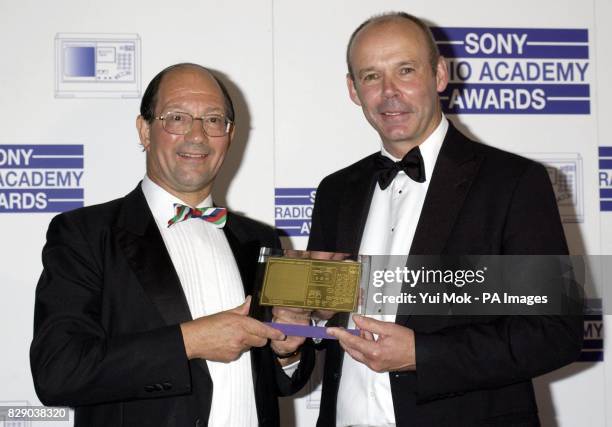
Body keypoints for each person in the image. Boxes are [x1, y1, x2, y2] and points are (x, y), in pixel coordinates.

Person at [307, 13, 583, 426]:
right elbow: (320, 326)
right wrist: (302, 322)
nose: (388, 93)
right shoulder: (335, 191)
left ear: (438, 74)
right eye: (370, 76)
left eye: (405, 70)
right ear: (353, 89)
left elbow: (553, 334)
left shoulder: (512, 183)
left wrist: (421, 355)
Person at [30, 63, 311, 427]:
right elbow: (59, 371)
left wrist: (286, 349)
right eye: (177, 118)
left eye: (213, 120)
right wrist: (189, 341)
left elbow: (276, 382)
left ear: (229, 135)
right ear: (144, 131)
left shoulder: (260, 240)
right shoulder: (85, 234)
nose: (197, 135)